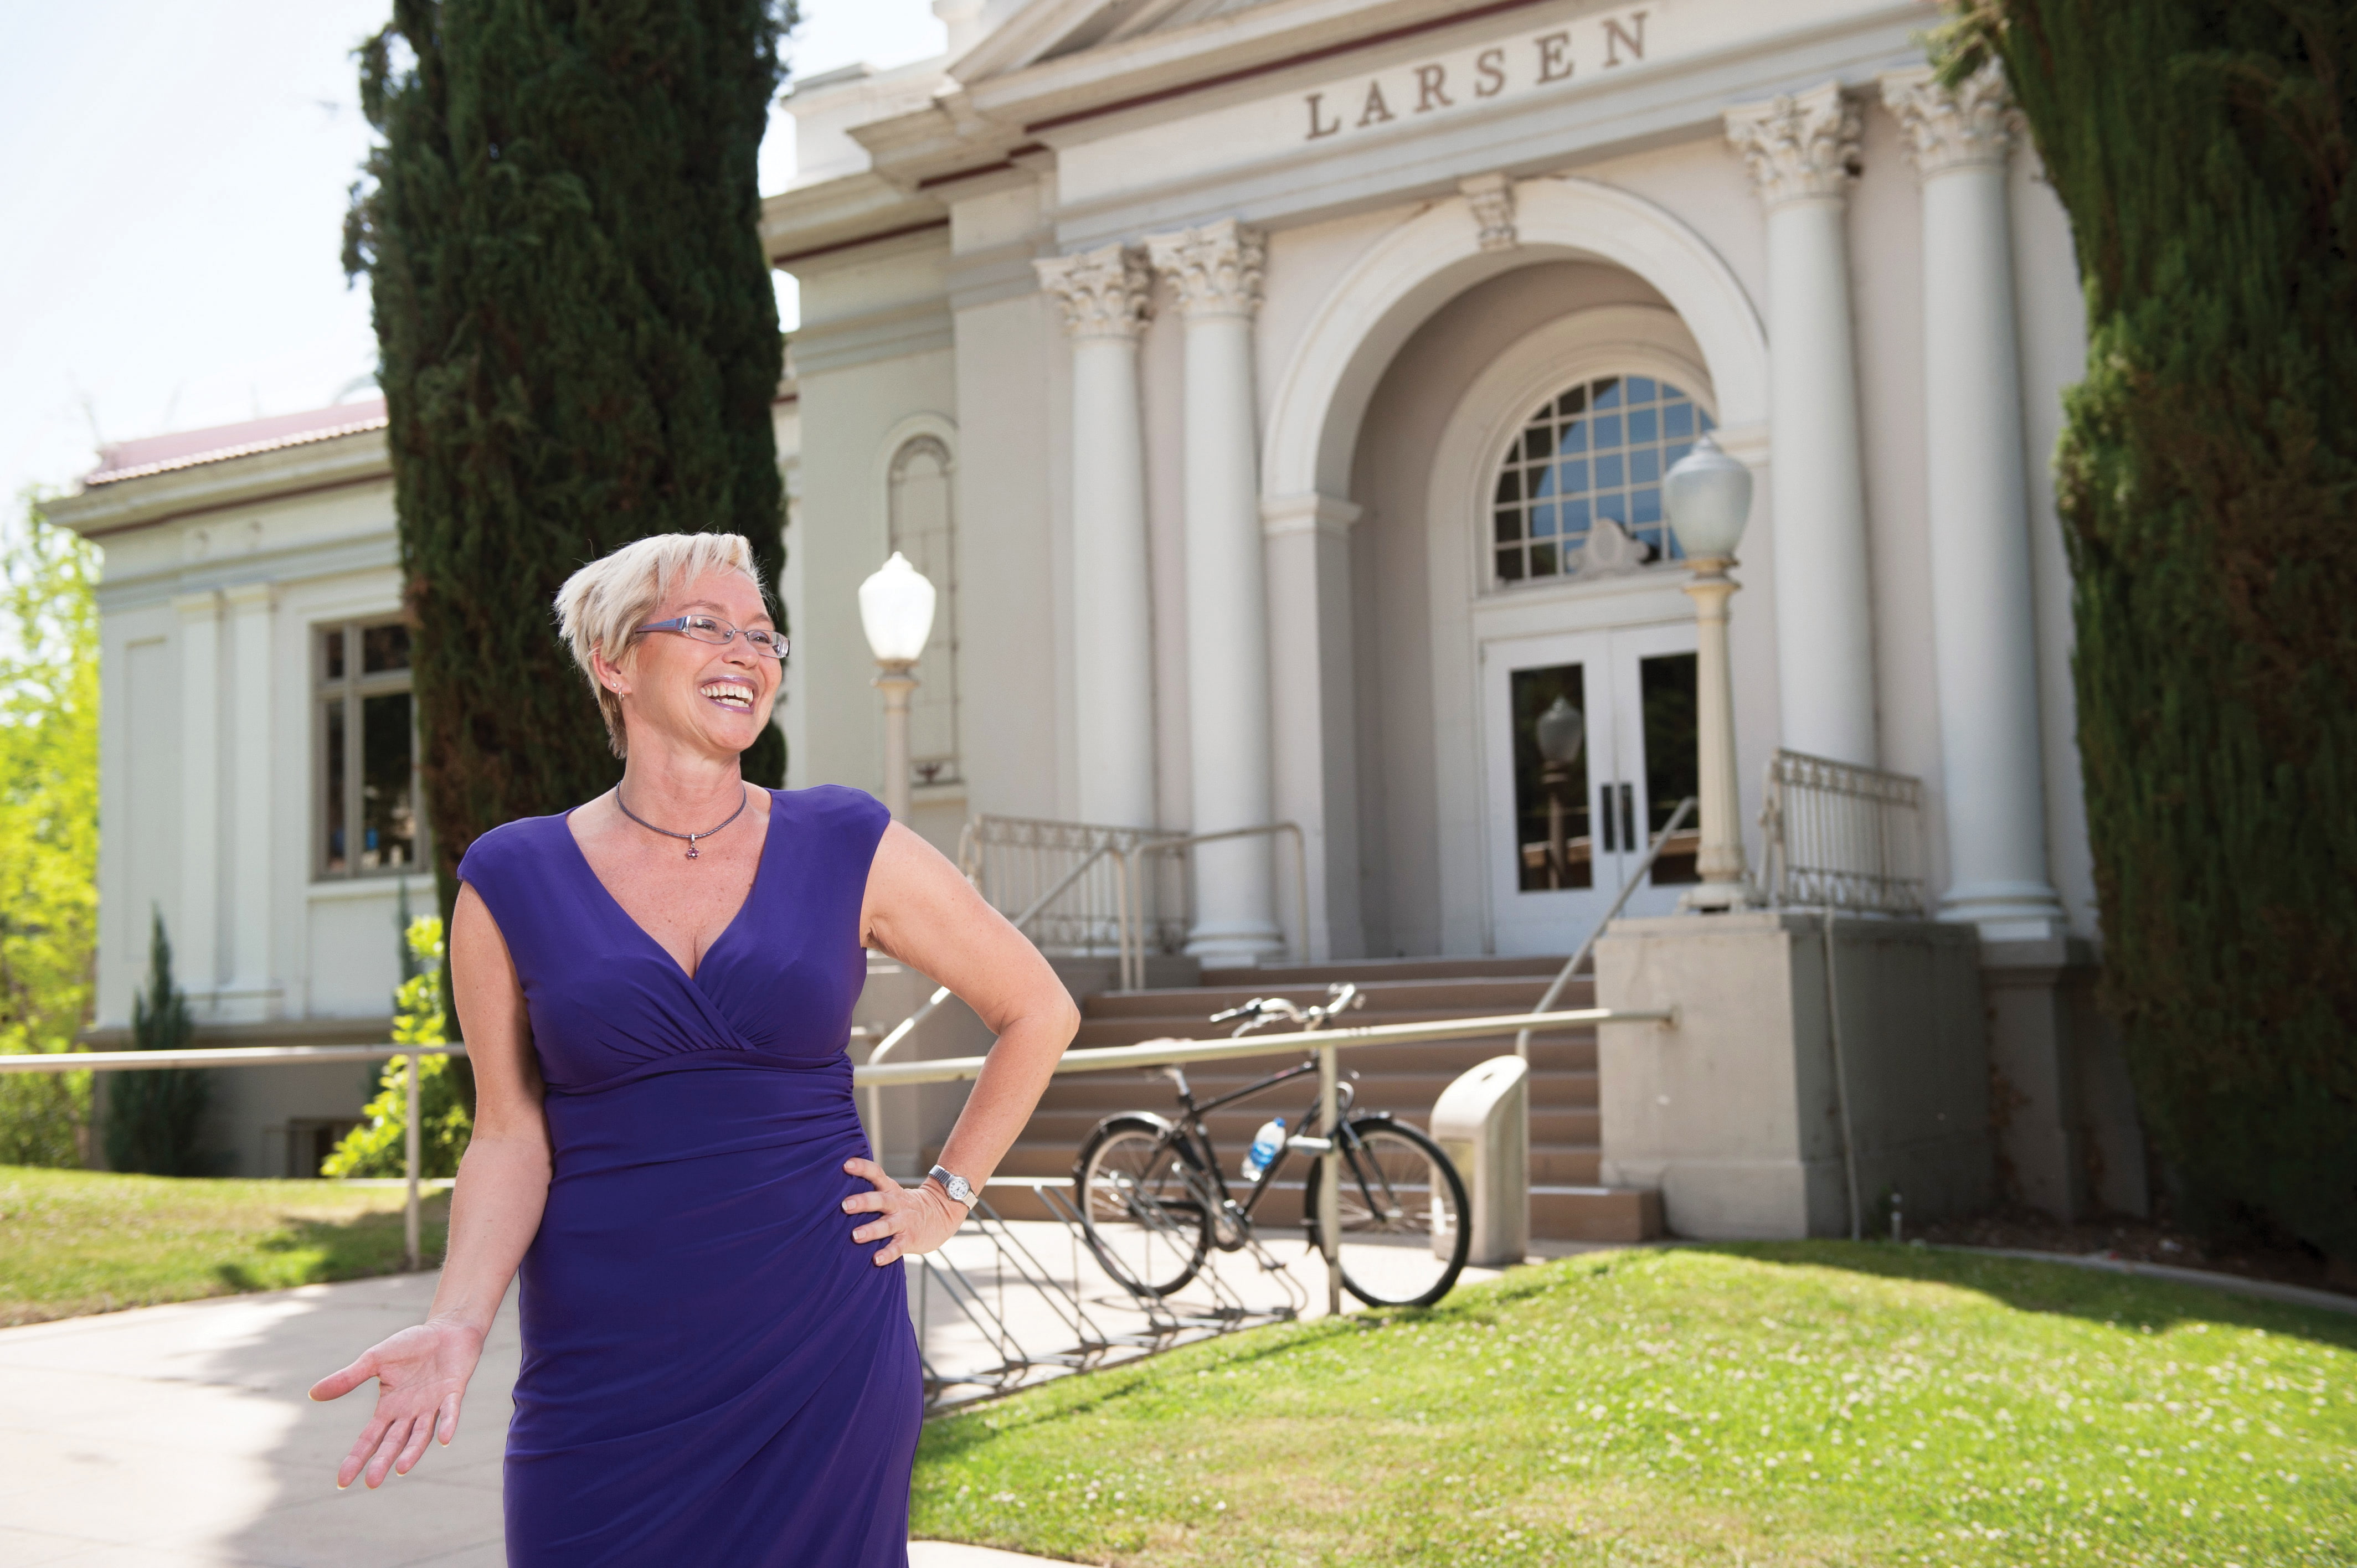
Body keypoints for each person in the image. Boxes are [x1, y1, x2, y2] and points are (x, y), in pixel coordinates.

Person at [309, 533, 1078, 1566]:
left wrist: (945, 1196)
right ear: (613, 665)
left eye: (763, 635)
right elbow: (508, 1136)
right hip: (604, 1366)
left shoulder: (847, 841)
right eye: (707, 625)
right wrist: (457, 1322)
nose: (747, 651)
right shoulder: (510, 876)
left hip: (821, 1343)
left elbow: (1038, 1009)